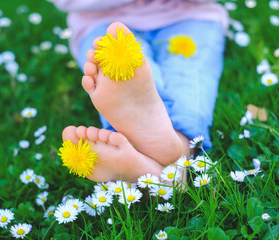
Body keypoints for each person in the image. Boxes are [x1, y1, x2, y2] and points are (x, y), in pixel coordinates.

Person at [52, 0, 228, 183]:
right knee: (128, 66)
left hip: (189, 15)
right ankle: (171, 167)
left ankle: (158, 168)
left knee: (185, 76)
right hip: (100, 19)